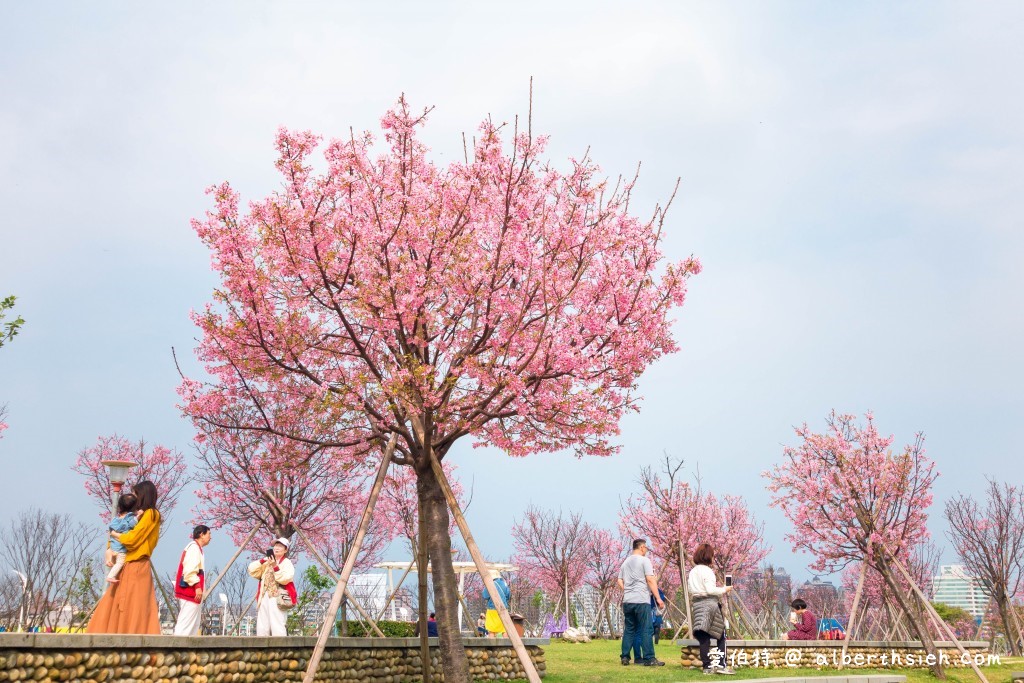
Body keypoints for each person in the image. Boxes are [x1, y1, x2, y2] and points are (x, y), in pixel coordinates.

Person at [87, 480, 162, 634]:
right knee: (119, 603)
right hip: (128, 563)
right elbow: (119, 538)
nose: (133, 497)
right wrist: (110, 548)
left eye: (135, 494)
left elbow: (132, 539)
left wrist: (115, 535)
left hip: (137, 564)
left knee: (132, 606)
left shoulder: (151, 514)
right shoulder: (134, 516)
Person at [688, 543, 735, 674]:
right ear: (708, 556)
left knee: (703, 638)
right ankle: (721, 665)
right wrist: (724, 589)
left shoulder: (693, 571)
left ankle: (707, 667)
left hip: (697, 605)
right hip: (710, 605)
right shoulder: (707, 571)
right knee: (720, 635)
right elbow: (710, 590)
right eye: (713, 555)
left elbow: (691, 589)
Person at [618, 538, 665, 667]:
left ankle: (625, 657)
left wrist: (627, 590)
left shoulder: (625, 562)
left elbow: (619, 580)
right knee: (646, 628)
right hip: (641, 600)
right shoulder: (645, 561)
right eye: (646, 548)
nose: (646, 550)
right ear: (642, 547)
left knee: (629, 629)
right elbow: (650, 579)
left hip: (628, 601)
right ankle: (649, 658)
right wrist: (658, 598)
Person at [247, 537, 297, 636]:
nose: (277, 548)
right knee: (262, 622)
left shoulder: (287, 563)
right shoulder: (267, 562)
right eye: (275, 546)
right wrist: (262, 560)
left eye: (280, 546)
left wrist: (275, 566)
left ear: (285, 550)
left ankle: (279, 648)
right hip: (265, 594)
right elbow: (252, 570)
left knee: (277, 621)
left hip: (278, 595)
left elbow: (285, 578)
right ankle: (262, 647)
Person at [173, 525, 212, 636]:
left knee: (192, 624)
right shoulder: (193, 548)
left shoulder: (197, 549)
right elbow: (190, 570)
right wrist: (197, 587)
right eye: (209, 534)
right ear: (201, 534)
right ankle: (178, 648)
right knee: (186, 623)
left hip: (193, 593)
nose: (210, 537)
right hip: (190, 591)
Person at [105, 493, 138, 583]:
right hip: (121, 549)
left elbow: (111, 529)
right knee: (120, 563)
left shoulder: (116, 518)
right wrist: (138, 516)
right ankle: (110, 576)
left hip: (113, 546)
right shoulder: (130, 518)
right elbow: (132, 524)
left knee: (109, 551)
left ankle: (108, 558)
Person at [482, 569, 511, 636]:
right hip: (504, 609)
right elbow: (508, 596)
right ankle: (506, 645)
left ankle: (492, 646)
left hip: (492, 609)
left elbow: (485, 596)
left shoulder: (490, 583)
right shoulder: (504, 583)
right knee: (504, 628)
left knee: (491, 629)